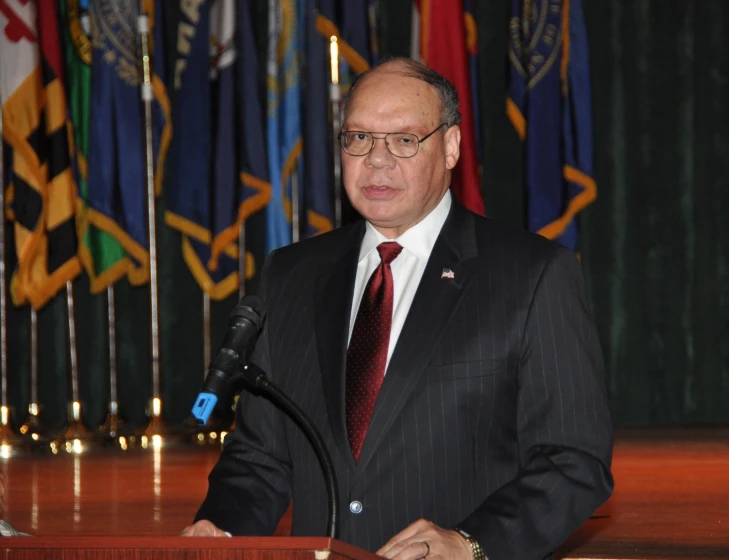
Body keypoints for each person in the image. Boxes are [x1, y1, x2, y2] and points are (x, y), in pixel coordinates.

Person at [181, 57, 613, 560]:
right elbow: (261, 455)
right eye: (358, 138)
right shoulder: (291, 275)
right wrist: (221, 529)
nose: (377, 160)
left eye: (404, 140)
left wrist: (471, 543)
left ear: (450, 146)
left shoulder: (532, 275)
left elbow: (573, 460)